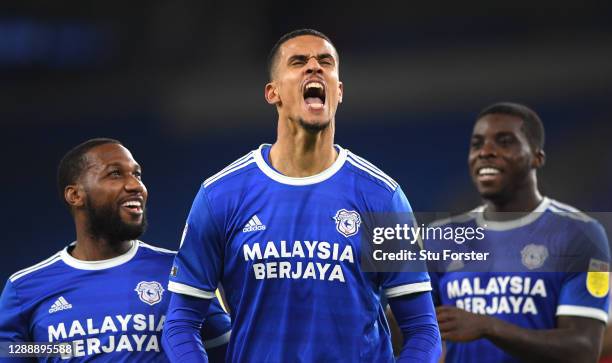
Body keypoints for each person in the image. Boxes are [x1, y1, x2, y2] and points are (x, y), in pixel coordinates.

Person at [162, 29, 441, 362]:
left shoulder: (381, 197)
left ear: (338, 91)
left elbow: (423, 330)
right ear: (273, 92)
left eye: (325, 61)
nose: (314, 67)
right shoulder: (221, 195)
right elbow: (180, 324)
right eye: (298, 62)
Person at [0, 138, 231, 362]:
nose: (135, 185)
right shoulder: (24, 289)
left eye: (137, 174)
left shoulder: (180, 271)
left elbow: (226, 350)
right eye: (115, 174)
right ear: (75, 195)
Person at [427, 103, 610, 362]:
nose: (486, 152)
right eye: (477, 144)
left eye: (504, 142)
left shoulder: (581, 234)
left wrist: (489, 327)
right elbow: (411, 330)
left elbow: (584, 349)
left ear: (537, 157)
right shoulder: (441, 237)